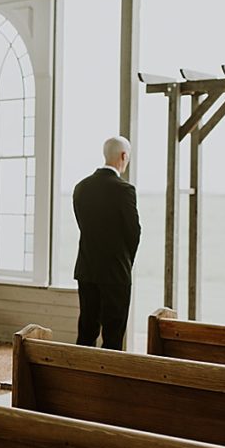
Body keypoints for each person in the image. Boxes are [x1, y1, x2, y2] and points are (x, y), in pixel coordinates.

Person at [72, 135, 141, 350]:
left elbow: (83, 226)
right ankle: (106, 380)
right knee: (113, 334)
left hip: (86, 268)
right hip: (115, 272)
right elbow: (133, 233)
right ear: (123, 156)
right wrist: (124, 262)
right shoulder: (124, 190)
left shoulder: (80, 187)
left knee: (86, 329)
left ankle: (80, 375)